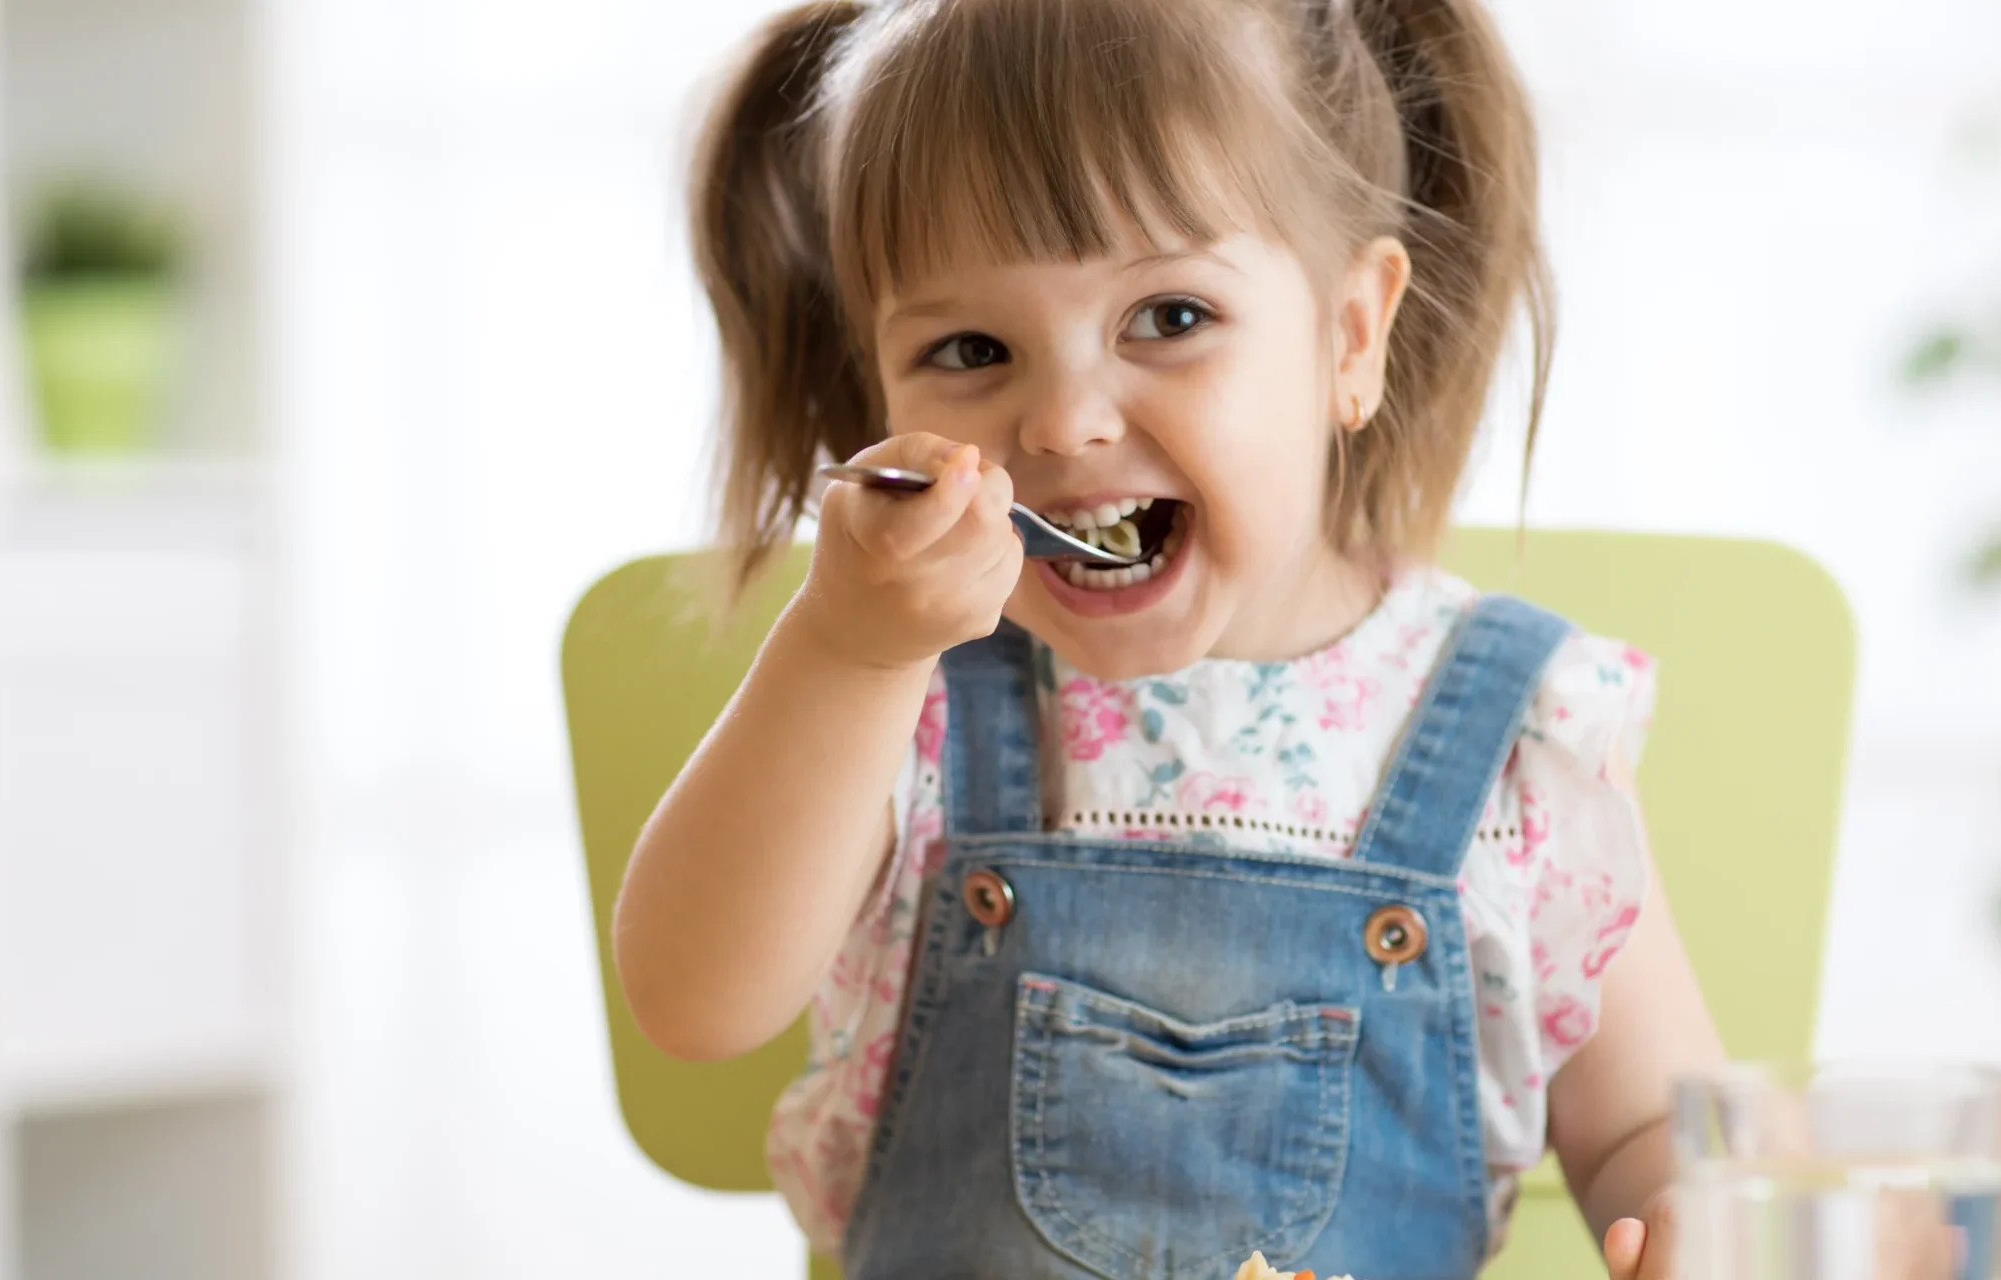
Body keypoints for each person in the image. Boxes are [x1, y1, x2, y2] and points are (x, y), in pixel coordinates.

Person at [615, 0, 1727, 1275]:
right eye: (970, 348)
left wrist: (1690, 1220)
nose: (1066, 420)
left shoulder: (1521, 738)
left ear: (1349, 335)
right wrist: (846, 650)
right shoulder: (896, 704)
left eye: (1169, 317)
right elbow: (692, 1000)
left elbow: (1646, 1122)